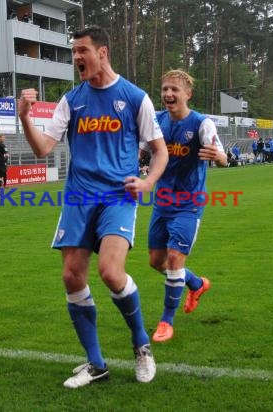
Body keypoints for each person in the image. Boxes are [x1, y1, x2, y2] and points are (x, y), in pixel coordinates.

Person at [17, 26, 168, 389]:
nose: (77, 58)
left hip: (118, 196)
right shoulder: (72, 100)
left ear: (103, 52)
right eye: (74, 53)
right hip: (78, 196)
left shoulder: (134, 98)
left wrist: (147, 182)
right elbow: (43, 149)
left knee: (111, 273)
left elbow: (159, 150)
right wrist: (24, 116)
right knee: (71, 276)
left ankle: (141, 345)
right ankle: (96, 363)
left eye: (82, 50)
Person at [145, 69, 227, 343]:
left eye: (174, 90)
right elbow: (144, 149)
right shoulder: (156, 121)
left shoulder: (202, 124)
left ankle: (166, 321)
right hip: (162, 201)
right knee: (156, 262)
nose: (168, 94)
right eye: (165, 89)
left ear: (187, 94)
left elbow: (223, 158)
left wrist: (217, 156)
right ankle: (196, 283)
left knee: (174, 258)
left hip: (189, 203)